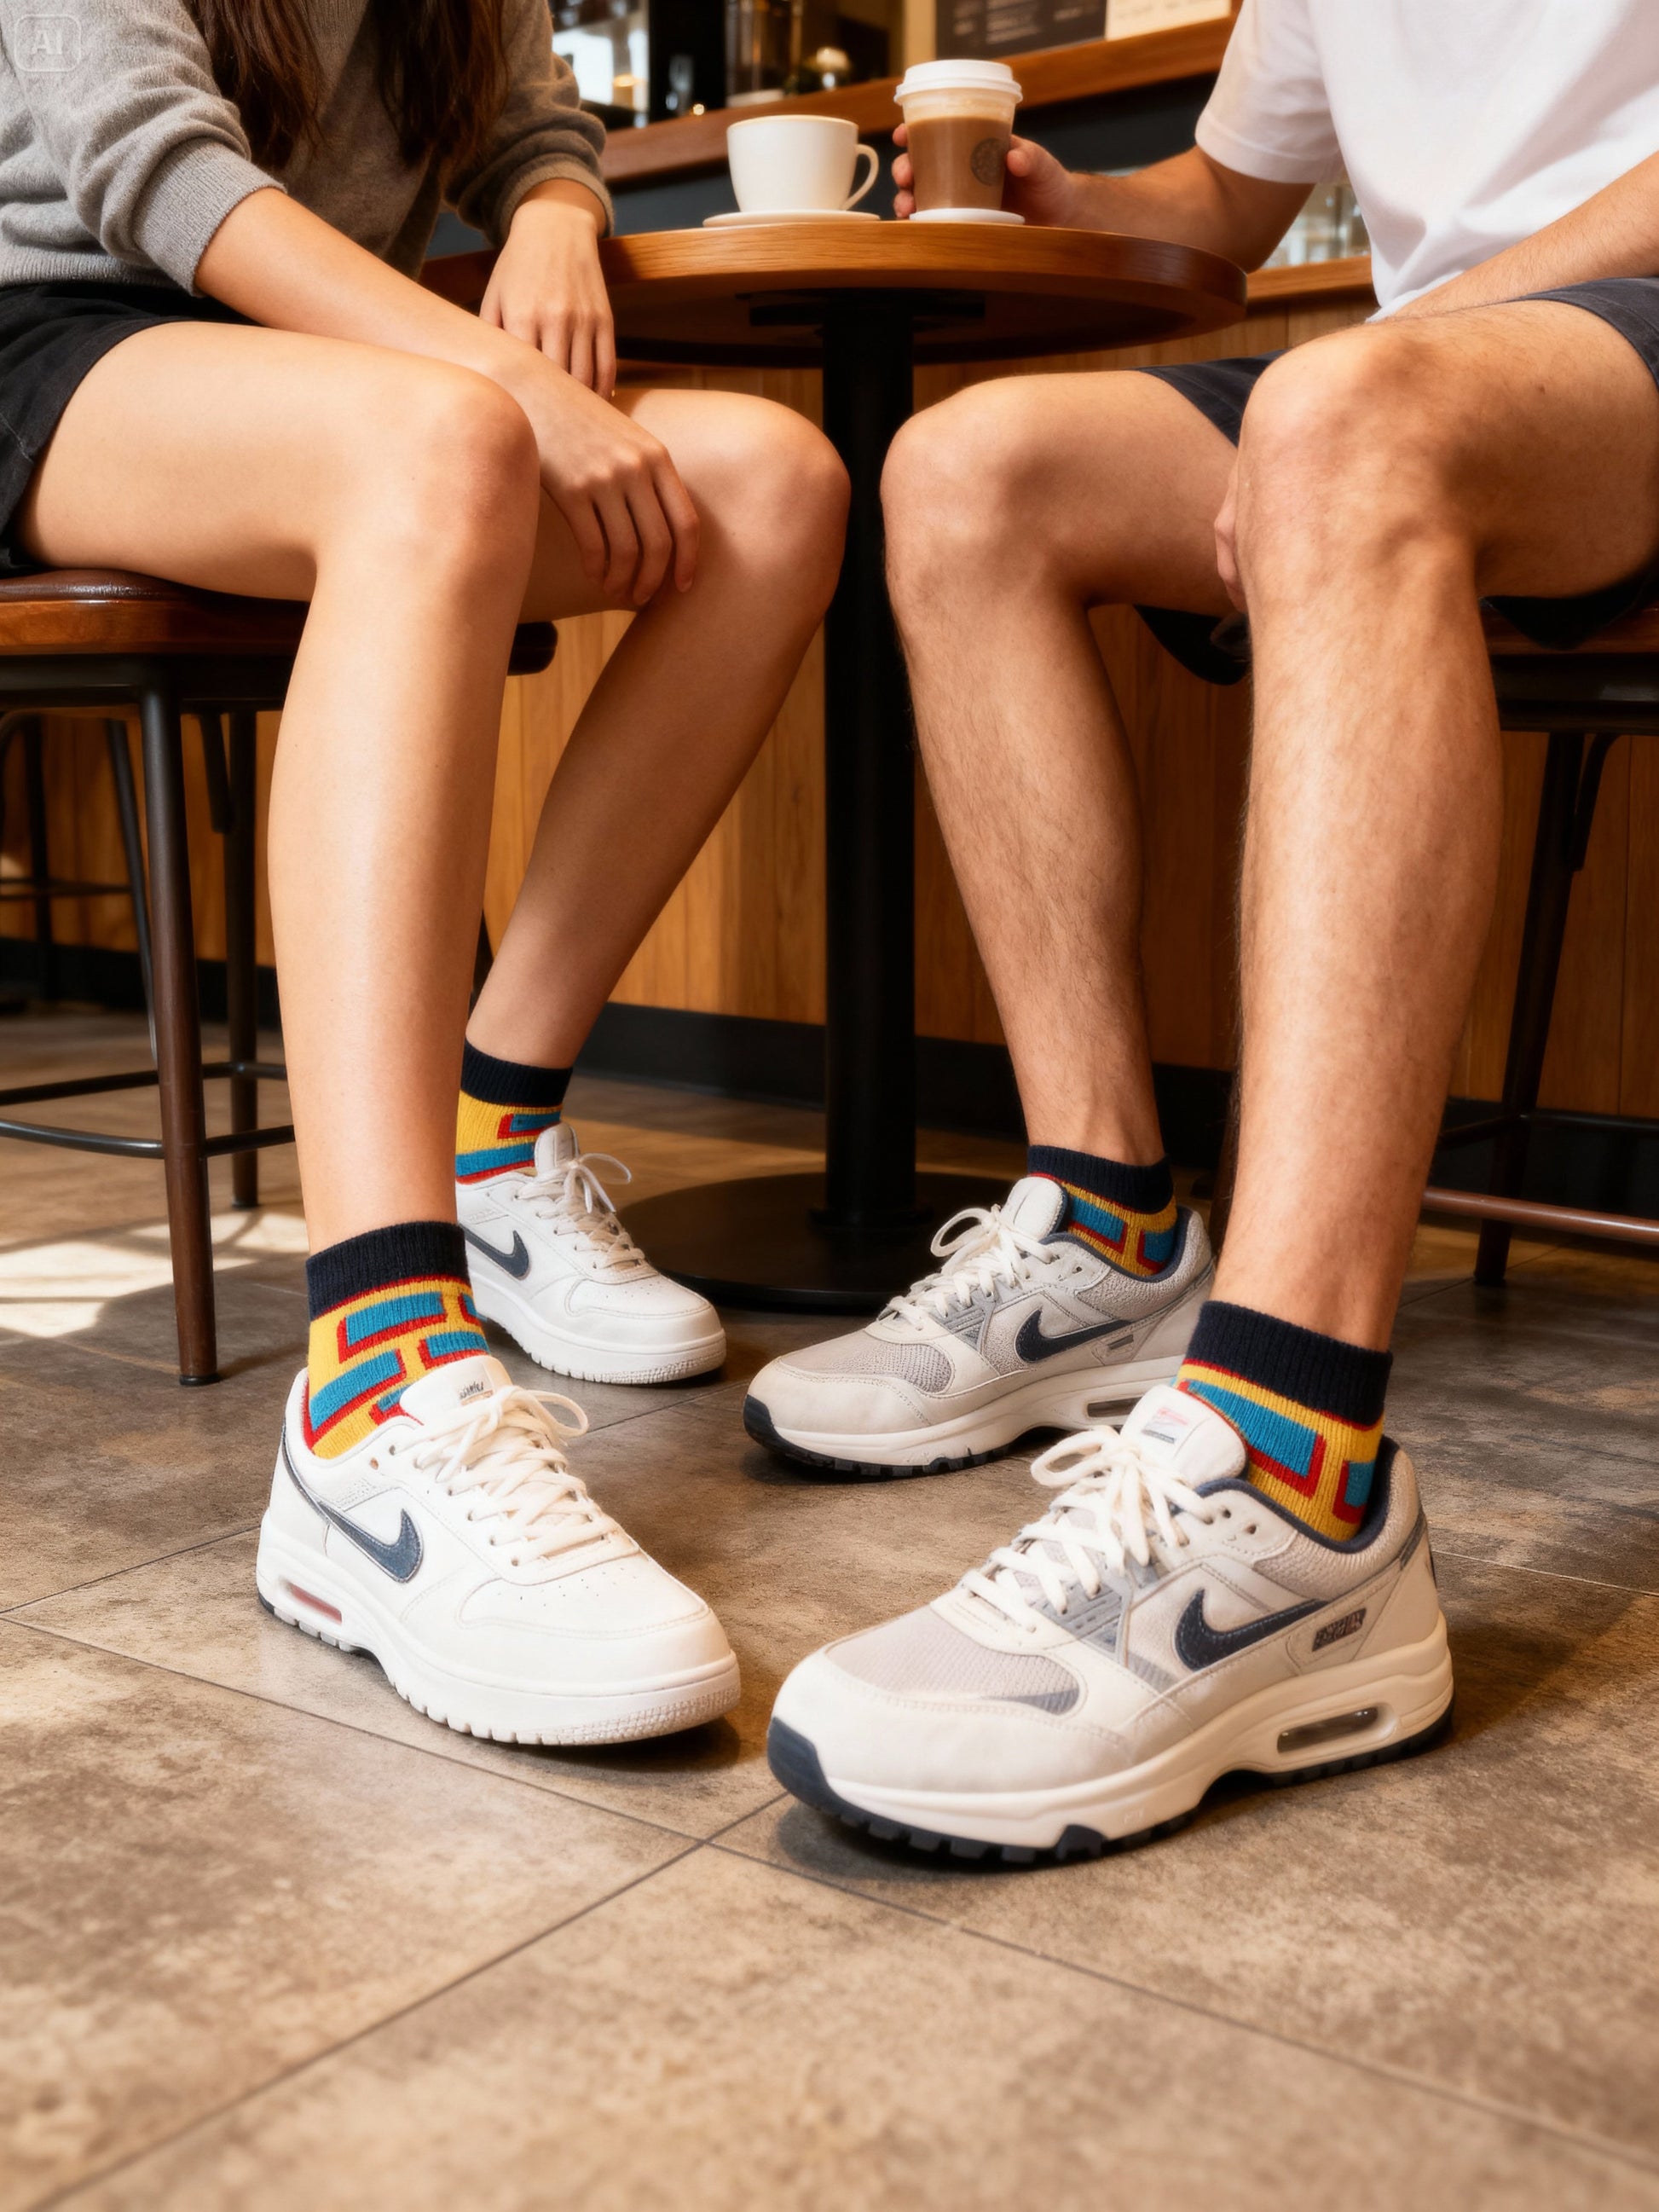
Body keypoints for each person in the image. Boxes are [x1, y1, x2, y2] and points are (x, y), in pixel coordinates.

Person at [754, 0, 1659, 1856]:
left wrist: (1405, 345)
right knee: (964, 471)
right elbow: (1228, 201)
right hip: (1437, 371)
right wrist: (1073, 198)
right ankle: (1105, 1222)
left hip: (1585, 340)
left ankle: (1291, 1471)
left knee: (1340, 414)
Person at [0, 0, 849, 1743]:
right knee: (442, 442)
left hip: (341, 374)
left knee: (773, 487)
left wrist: (552, 212)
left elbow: (530, 117)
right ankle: (371, 1393)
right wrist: (503, 376)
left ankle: (492, 1140)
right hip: (59, 342)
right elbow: (146, 162)